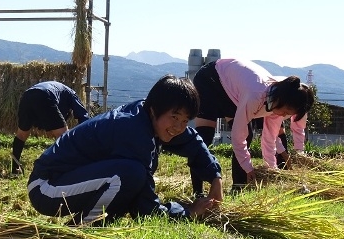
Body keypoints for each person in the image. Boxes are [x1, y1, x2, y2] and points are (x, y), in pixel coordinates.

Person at [27, 75, 222, 225]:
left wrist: (215, 177)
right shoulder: (133, 131)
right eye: (175, 117)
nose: (179, 127)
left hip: (64, 182)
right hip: (46, 187)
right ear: (155, 109)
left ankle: (84, 227)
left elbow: (193, 140)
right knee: (130, 175)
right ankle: (80, 232)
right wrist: (188, 212)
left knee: (129, 183)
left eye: (185, 121)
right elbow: (148, 207)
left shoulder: (148, 116)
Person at [191, 58, 314, 189]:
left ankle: (239, 186)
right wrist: (248, 168)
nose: (284, 116)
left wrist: (272, 170)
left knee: (248, 135)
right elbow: (238, 137)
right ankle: (198, 191)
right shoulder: (256, 96)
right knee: (205, 136)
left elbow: (270, 138)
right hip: (210, 80)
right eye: (286, 111)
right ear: (281, 101)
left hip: (233, 93)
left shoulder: (280, 101)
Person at [11, 81, 90, 174]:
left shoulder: (61, 92)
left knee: (21, 135)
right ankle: (66, 168)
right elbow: (84, 117)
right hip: (45, 95)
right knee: (64, 136)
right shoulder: (72, 94)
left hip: (27, 95)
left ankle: (15, 169)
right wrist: (87, 137)